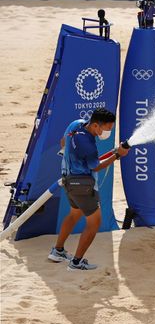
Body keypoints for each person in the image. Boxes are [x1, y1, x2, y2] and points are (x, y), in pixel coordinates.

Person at [47, 108, 128, 270]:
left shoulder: (75, 125)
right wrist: (118, 155)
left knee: (74, 214)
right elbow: (96, 167)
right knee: (94, 223)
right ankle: (76, 262)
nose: (108, 132)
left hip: (68, 181)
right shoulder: (89, 145)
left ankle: (58, 251)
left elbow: (63, 142)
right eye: (107, 129)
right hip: (82, 186)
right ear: (96, 126)